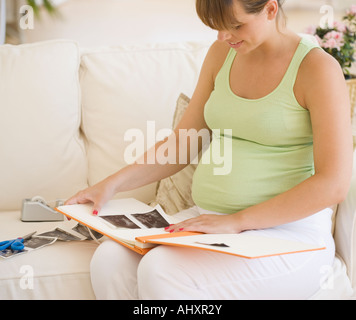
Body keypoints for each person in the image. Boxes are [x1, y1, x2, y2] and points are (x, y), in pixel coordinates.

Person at [65, 0, 353, 299]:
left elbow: (333, 184)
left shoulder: (318, 69)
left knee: (161, 270)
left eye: (236, 25)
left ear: (270, 9)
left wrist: (236, 222)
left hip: (287, 234)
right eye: (217, 27)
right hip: (210, 221)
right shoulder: (222, 54)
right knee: (110, 260)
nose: (223, 37)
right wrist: (110, 185)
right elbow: (183, 143)